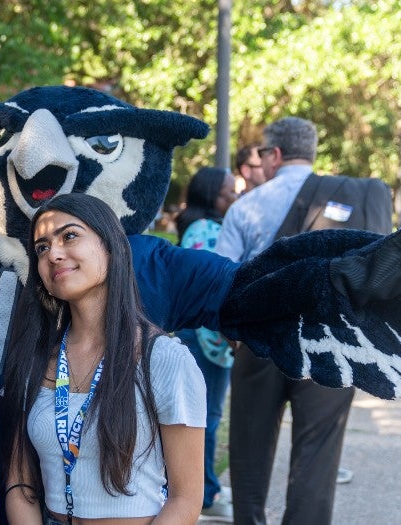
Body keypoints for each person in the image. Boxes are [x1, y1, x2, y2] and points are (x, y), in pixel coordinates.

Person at [216, 116, 392, 525]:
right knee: (318, 452)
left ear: (274, 154)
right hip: (329, 343)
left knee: (248, 447)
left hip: (260, 341)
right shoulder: (351, 194)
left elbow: (221, 280)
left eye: (262, 152)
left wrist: (233, 335)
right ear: (310, 152)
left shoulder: (247, 207)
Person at [2, 193, 206, 524]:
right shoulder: (34, 359)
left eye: (69, 236)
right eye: (41, 247)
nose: (53, 253)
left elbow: (185, 499)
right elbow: (19, 482)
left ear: (110, 247)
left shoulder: (165, 359)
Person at [174, 167, 237, 522]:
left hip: (206, 340)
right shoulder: (204, 231)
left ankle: (206, 487)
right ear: (211, 193)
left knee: (204, 418)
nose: (234, 197)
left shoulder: (203, 227)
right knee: (205, 419)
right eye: (228, 191)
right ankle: (207, 492)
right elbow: (206, 293)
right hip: (205, 340)